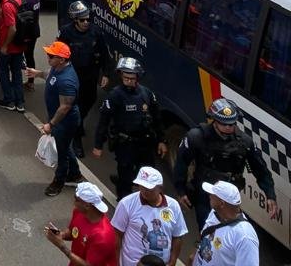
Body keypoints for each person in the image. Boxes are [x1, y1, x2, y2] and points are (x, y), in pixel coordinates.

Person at [173, 98, 279, 232]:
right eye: (224, 124)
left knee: (231, 230)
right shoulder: (196, 137)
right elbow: (181, 163)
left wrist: (270, 195)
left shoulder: (245, 143)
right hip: (205, 196)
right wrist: (180, 191)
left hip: (230, 199)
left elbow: (261, 170)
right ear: (214, 121)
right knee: (207, 231)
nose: (228, 127)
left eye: (232, 124)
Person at [92, 58, 166, 199]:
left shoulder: (147, 94)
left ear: (137, 77)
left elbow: (157, 118)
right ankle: (123, 199)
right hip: (125, 145)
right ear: (121, 76)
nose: (129, 81)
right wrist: (98, 145)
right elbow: (104, 121)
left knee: (148, 175)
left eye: (132, 78)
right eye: (126, 78)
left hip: (145, 143)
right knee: (125, 177)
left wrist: (162, 141)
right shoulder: (115, 96)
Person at [59, 0, 112, 156]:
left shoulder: (96, 33)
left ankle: (78, 123)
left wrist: (106, 74)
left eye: (88, 19)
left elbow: (104, 55)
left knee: (89, 101)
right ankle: (76, 139)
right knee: (75, 107)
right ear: (75, 20)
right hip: (73, 76)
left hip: (90, 76)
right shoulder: (66, 33)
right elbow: (58, 53)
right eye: (82, 20)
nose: (86, 22)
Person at [30, 39, 81, 197]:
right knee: (65, 147)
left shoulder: (67, 80)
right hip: (59, 121)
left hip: (64, 123)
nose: (48, 58)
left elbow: (65, 107)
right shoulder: (56, 68)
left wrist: (50, 125)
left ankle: (58, 181)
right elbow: (49, 75)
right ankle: (75, 174)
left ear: (62, 59)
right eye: (48, 55)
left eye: (51, 56)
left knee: (62, 153)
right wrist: (37, 73)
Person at [109, 166, 187, 266]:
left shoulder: (173, 206)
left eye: (149, 188)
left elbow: (178, 236)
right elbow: (117, 236)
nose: (144, 191)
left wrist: (172, 261)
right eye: (142, 186)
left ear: (160, 187)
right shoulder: (126, 204)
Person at [44, 181, 118, 266]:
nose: (74, 202)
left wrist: (62, 246)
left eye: (76, 200)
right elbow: (74, 232)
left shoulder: (102, 236)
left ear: (87, 205)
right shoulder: (79, 212)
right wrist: (61, 235)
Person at [191, 180, 260, 266]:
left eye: (213, 194)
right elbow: (205, 238)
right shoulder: (214, 213)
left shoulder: (245, 236)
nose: (210, 195)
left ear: (222, 204)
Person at [0, 0, 26, 112]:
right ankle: (20, 102)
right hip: (20, 45)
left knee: (2, 71)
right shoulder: (21, 0)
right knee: (17, 73)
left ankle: (9, 100)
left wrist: (5, 46)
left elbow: (12, 28)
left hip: (9, 46)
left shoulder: (8, 5)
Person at [16, 0, 42, 85]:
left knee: (19, 56)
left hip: (25, 33)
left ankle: (21, 82)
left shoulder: (24, 1)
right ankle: (31, 82)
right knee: (30, 56)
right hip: (34, 31)